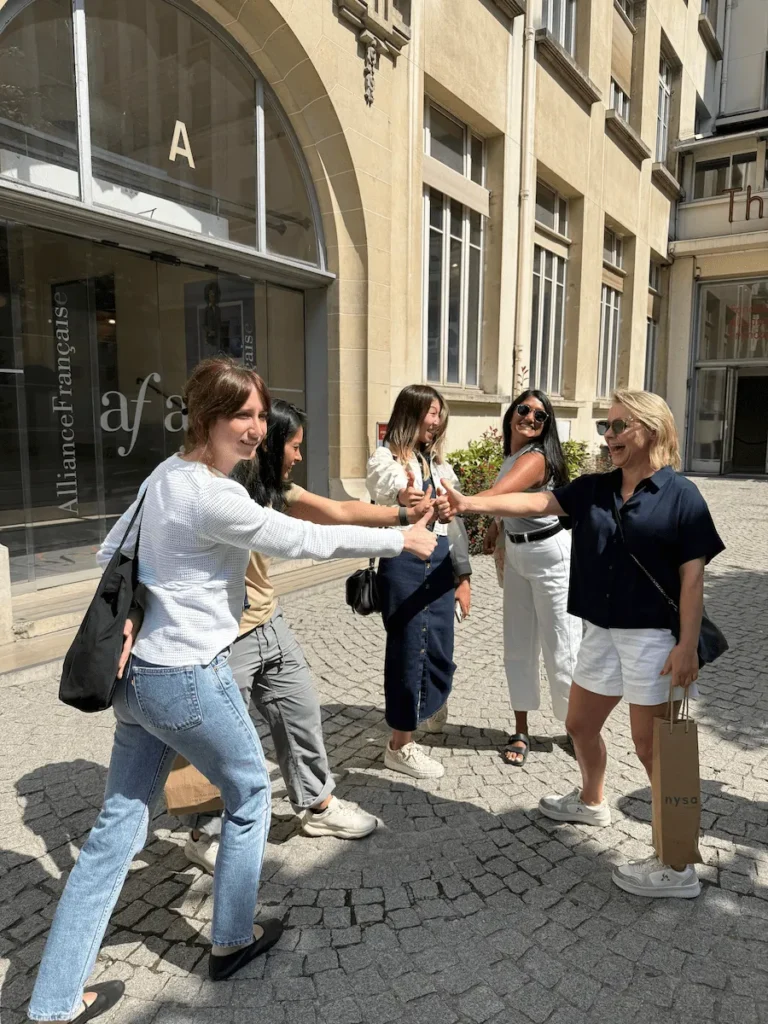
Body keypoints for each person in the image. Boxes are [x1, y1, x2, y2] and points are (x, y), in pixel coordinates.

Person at [27, 359, 436, 1023]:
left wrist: (141, 614)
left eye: (259, 415)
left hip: (138, 683)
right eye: (241, 415)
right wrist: (399, 538)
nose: (255, 429)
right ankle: (232, 937)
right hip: (188, 677)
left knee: (114, 834)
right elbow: (303, 537)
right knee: (249, 794)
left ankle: (53, 1002)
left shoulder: (165, 475)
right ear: (206, 417)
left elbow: (113, 552)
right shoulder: (211, 494)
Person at [443, 389, 724, 899]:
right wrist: (470, 503)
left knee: (653, 747)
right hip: (599, 631)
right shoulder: (595, 489)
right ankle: (592, 801)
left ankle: (678, 864)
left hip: (652, 639)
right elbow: (536, 501)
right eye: (605, 427)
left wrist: (686, 645)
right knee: (579, 724)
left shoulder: (682, 496)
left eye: (618, 426)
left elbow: (692, 578)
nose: (608, 436)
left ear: (650, 431)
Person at [184, 399, 439, 870]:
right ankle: (207, 831)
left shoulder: (270, 487)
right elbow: (309, 538)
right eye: (295, 446)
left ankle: (317, 805)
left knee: (299, 711)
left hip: (268, 621)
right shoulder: (220, 490)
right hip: (223, 636)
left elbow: (337, 510)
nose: (299, 456)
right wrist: (400, 538)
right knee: (220, 738)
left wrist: (402, 516)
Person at [366, 384, 471, 780]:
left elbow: (454, 523)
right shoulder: (387, 459)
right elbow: (391, 490)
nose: (437, 420)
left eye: (440, 413)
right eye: (431, 412)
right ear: (410, 413)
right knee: (409, 649)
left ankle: (430, 700)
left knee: (440, 644)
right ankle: (400, 744)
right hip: (404, 559)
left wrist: (463, 575)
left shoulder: (438, 464)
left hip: (440, 560)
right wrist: (407, 497)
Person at [480, 391, 582, 766]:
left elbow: (498, 494)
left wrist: (456, 504)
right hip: (518, 554)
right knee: (518, 645)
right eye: (525, 409)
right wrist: (496, 526)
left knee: (562, 646)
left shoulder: (536, 458)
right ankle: (520, 729)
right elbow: (507, 501)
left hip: (550, 555)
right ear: (512, 413)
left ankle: (578, 729)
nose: (531, 418)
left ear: (545, 426)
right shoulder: (512, 456)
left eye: (541, 416)